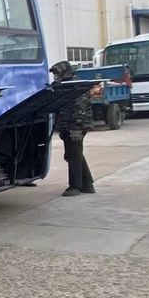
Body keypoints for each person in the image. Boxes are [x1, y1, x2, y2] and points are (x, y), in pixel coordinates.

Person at [50, 60, 95, 197]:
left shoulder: (76, 87)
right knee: (75, 155)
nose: (55, 76)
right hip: (67, 126)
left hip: (75, 127)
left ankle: (75, 186)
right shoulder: (65, 86)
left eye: (57, 73)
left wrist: (76, 129)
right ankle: (88, 184)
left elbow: (80, 110)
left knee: (74, 156)